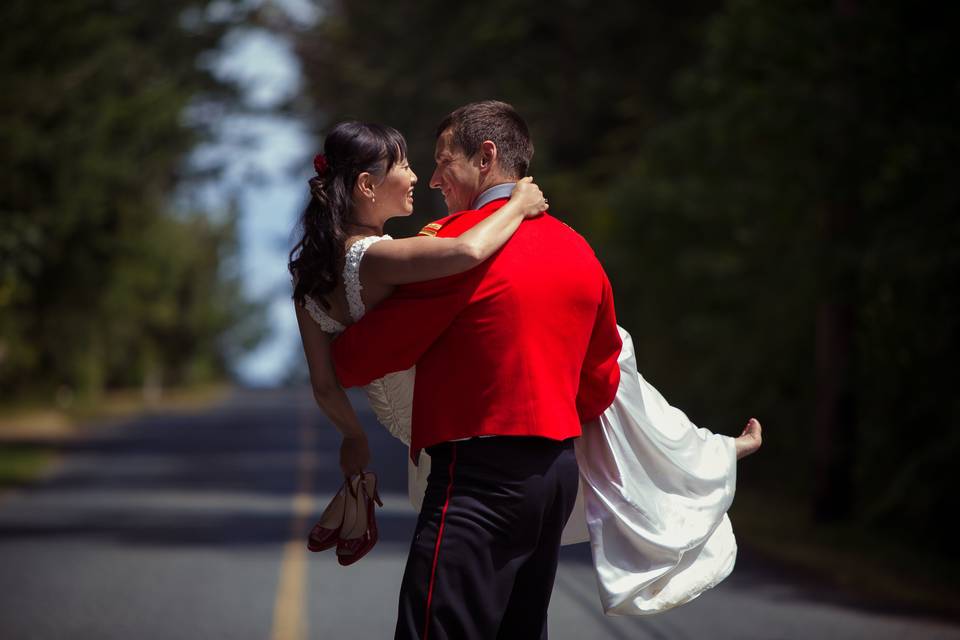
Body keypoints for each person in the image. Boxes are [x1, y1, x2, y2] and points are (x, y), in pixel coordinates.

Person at [329, 101, 762, 639]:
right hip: (554, 476)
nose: (434, 178)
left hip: (478, 476)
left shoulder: (452, 245)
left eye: (445, 162)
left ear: (486, 157)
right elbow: (604, 378)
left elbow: (361, 358)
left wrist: (330, 323)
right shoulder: (580, 251)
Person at [289, 121, 548, 561]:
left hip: (398, 417)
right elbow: (467, 252)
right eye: (405, 165)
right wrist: (518, 205)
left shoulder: (310, 275)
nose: (414, 177)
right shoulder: (373, 256)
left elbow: (324, 385)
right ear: (368, 185)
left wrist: (354, 437)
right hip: (437, 410)